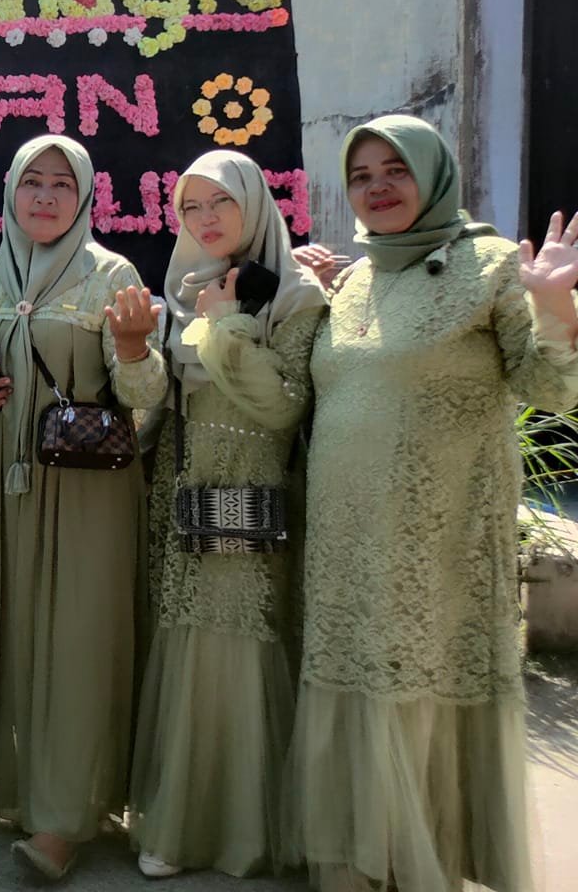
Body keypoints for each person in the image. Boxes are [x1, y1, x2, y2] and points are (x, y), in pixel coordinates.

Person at [284, 116, 578, 892]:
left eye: (396, 169)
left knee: (417, 686)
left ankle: (421, 862)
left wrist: (555, 305)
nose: (377, 187)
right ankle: (358, 854)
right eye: (361, 175)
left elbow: (552, 389)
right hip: (345, 533)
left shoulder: (490, 264)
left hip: (439, 538)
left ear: (434, 174)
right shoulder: (354, 278)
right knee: (357, 683)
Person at [0, 136, 167, 882]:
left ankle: (65, 818)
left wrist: (134, 349)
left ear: (85, 197)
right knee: (11, 627)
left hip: (82, 492)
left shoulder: (111, 273)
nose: (45, 196)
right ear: (10, 189)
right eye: (32, 182)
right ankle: (26, 790)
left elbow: (144, 399)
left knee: (76, 642)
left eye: (62, 184)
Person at [127, 151, 326, 879]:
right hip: (183, 490)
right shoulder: (182, 289)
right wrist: (133, 359)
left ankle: (238, 832)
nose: (205, 219)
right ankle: (181, 821)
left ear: (254, 203)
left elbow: (285, 405)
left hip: (255, 489)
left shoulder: (297, 293)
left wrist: (229, 325)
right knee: (186, 648)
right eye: (191, 206)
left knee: (236, 650)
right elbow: (154, 411)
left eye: (221, 202)